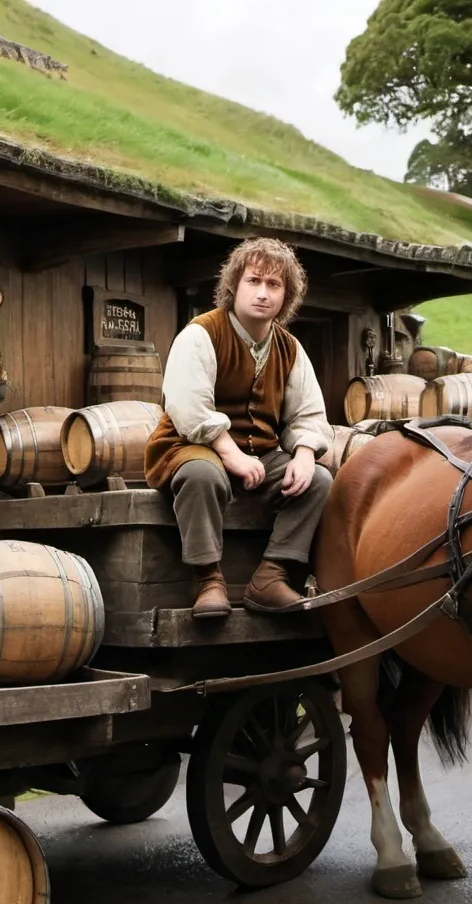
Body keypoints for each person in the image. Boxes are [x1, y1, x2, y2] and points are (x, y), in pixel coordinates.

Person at [144, 237, 333, 618]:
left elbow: (308, 414)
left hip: (261, 455)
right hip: (190, 447)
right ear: (234, 285)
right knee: (202, 474)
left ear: (286, 295)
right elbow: (190, 408)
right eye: (254, 281)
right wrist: (231, 454)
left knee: (319, 482)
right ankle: (208, 580)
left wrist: (305, 453)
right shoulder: (201, 334)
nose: (263, 293)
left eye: (274, 285)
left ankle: (270, 575)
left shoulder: (290, 348)